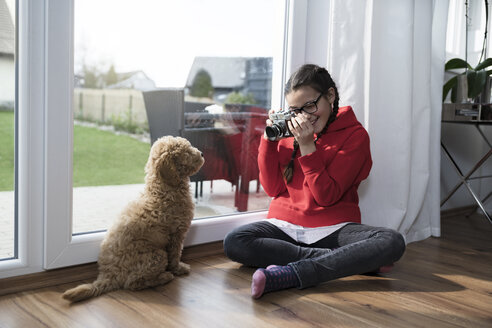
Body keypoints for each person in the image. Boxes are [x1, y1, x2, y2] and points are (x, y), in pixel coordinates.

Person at [223, 64, 406, 299]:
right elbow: (272, 189)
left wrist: (308, 147)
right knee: (234, 241)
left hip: (334, 228)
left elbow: (326, 197)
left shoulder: (355, 136)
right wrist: (269, 142)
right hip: (285, 226)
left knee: (392, 242)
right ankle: (339, 259)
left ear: (330, 96)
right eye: (295, 110)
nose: (304, 116)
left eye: (310, 105)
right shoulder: (289, 132)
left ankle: (290, 273)